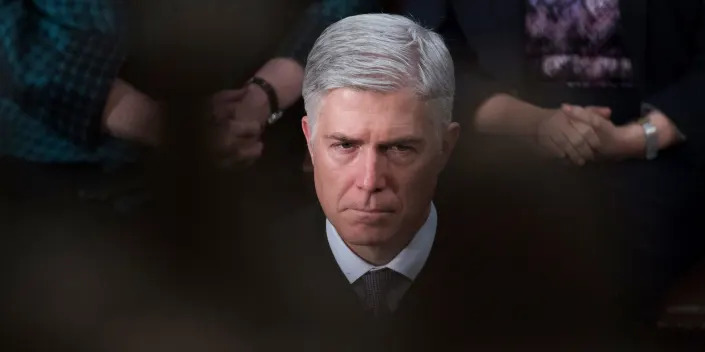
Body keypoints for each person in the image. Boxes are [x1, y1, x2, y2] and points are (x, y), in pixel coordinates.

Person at [241, 0, 705, 330]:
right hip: (498, 131)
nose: (367, 180)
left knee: (614, 257)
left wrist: (636, 137)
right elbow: (431, 49)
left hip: (658, 137)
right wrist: (535, 124)